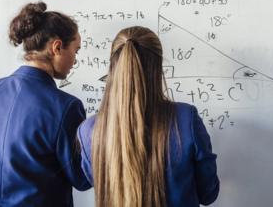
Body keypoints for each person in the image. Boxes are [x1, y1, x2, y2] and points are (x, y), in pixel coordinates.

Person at [77, 26, 220, 207]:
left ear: (114, 67)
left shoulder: (89, 131)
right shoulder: (186, 120)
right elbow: (208, 194)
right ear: (158, 67)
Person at [0, 1, 91, 206]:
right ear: (57, 47)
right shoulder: (65, 107)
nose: (75, 60)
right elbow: (81, 178)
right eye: (75, 51)